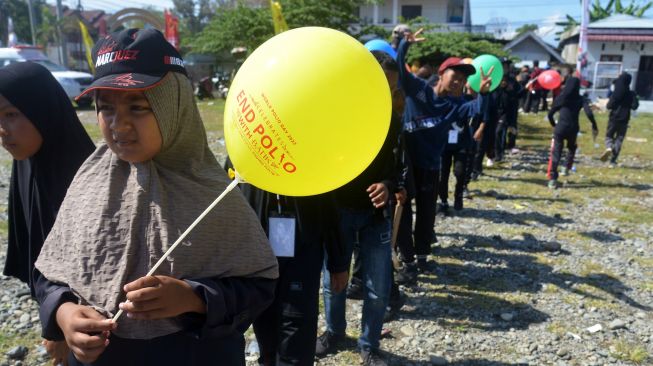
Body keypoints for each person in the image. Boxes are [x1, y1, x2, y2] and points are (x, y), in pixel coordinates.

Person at [34, 28, 278, 366]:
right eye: (106, 108)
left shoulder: (214, 192)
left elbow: (258, 287)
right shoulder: (88, 182)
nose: (119, 125)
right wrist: (64, 313)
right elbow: (50, 275)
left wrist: (194, 298)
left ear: (173, 106)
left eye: (138, 107)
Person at [0, 61, 96, 366]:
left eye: (11, 115)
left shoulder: (85, 177)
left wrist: (59, 328)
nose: (2, 130)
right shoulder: (28, 163)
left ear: (43, 111)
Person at [316, 51, 402, 366]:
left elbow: (397, 167)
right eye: (383, 86)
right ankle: (334, 332)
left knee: (378, 287)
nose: (388, 94)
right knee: (334, 279)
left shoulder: (393, 119)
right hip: (338, 210)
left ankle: (369, 345)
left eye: (393, 89)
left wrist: (389, 186)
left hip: (376, 216)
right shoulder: (338, 115)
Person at [226, 159, 348, 366]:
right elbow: (226, 200)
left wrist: (338, 262)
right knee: (264, 322)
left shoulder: (310, 149)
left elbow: (330, 207)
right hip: (258, 251)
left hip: (303, 248)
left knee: (297, 327)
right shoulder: (244, 141)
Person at [394, 29, 490, 277]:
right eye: (454, 75)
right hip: (407, 164)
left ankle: (423, 256)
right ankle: (407, 259)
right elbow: (400, 71)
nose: (458, 81)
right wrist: (404, 44)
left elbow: (476, 110)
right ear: (441, 74)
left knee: (426, 214)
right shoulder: (419, 89)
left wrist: (484, 92)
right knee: (403, 212)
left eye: (462, 78)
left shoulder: (455, 106)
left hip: (431, 166)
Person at [546, 77, 598, 189]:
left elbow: (550, 113)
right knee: (571, 147)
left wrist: (553, 124)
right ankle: (566, 167)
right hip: (573, 128)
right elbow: (589, 113)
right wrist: (594, 124)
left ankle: (553, 179)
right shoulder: (581, 99)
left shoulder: (561, 97)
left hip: (560, 128)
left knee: (556, 152)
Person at [600, 72, 639, 166]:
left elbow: (609, 106)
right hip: (625, 119)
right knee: (619, 139)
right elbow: (635, 106)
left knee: (609, 136)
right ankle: (613, 161)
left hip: (613, 118)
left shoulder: (616, 93)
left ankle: (609, 147)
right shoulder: (631, 94)